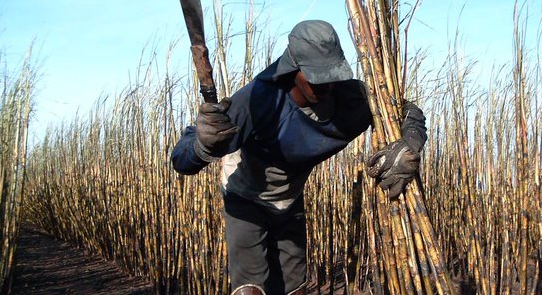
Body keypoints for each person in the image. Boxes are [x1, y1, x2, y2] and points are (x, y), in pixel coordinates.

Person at [171, 20, 427, 295]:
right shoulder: (258, 100)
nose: (325, 85)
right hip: (245, 195)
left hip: (289, 197)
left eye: (332, 75)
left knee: (295, 289)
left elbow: (405, 110)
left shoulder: (352, 101)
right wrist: (203, 144)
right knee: (250, 291)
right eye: (316, 76)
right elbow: (181, 159)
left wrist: (409, 144)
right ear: (293, 69)